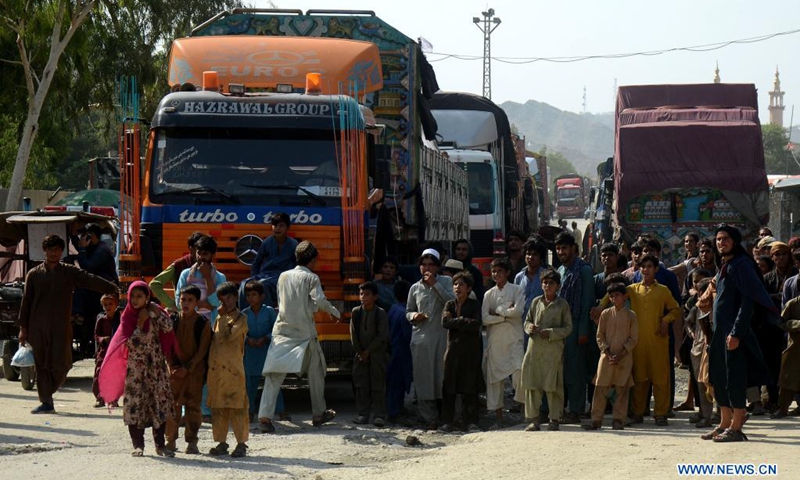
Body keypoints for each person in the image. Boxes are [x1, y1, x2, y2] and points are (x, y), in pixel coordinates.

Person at [18, 235, 118, 414]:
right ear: (45, 251)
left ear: (61, 251)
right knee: (41, 365)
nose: (53, 253)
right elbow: (26, 302)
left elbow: (89, 279)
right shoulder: (33, 274)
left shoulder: (69, 272)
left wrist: (111, 288)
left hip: (61, 326)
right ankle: (46, 402)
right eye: (50, 250)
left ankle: (48, 392)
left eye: (57, 249)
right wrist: (23, 329)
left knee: (62, 364)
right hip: (37, 326)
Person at [258, 241, 340, 433]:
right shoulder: (311, 277)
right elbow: (319, 300)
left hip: (283, 330)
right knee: (316, 371)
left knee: (274, 376)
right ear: (312, 260)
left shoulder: (283, 277)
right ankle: (319, 413)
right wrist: (334, 312)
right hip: (304, 332)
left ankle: (264, 417)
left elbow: (281, 301)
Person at [704, 224, 773, 442]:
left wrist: (736, 333)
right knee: (719, 377)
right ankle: (724, 422)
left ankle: (736, 425)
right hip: (719, 332)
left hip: (734, 333)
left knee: (734, 378)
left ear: (734, 241)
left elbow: (748, 301)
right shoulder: (725, 265)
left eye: (725, 239)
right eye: (718, 239)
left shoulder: (742, 265)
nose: (720, 243)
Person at [99, 281, 177, 457]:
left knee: (158, 403)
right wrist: (141, 323)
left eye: (139, 296)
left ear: (147, 297)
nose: (135, 300)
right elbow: (131, 343)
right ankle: (138, 445)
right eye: (132, 296)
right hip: (136, 370)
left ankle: (160, 445)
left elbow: (168, 327)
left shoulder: (155, 310)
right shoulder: (127, 316)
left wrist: (156, 314)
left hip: (156, 368)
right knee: (135, 405)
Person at [406, 248, 454, 429]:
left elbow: (452, 301)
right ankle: (429, 418)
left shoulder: (447, 281)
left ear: (437, 267)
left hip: (442, 338)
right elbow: (408, 311)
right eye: (423, 264)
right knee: (424, 378)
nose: (427, 268)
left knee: (442, 376)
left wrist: (435, 284)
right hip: (421, 339)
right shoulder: (415, 288)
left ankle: (447, 416)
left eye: (431, 264)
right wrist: (414, 316)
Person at [521, 269, 572, 431]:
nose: (547, 285)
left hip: (553, 351)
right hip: (534, 349)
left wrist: (550, 333)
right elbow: (527, 321)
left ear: (558, 286)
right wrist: (530, 327)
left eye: (551, 283)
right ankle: (534, 420)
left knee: (553, 386)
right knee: (532, 384)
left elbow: (568, 328)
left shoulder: (562, 305)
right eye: (545, 282)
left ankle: (554, 419)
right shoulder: (536, 302)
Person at [584, 282, 638, 431]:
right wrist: (607, 352)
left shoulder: (631, 316)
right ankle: (596, 420)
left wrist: (620, 355)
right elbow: (600, 335)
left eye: (617, 296)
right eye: (612, 296)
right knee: (600, 388)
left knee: (622, 389)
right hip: (606, 357)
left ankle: (618, 420)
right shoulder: (606, 314)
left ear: (625, 296)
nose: (614, 299)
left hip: (624, 357)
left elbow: (633, 339)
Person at [165, 285, 212, 455]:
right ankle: (170, 440)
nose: (185, 303)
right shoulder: (172, 320)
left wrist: (188, 368)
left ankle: (192, 442)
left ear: (197, 302)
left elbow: (202, 351)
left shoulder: (203, 323)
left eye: (190, 300)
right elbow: (167, 347)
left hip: (194, 373)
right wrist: (173, 367)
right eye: (183, 299)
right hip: (175, 372)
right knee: (173, 407)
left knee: (193, 407)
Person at [554, 232, 595, 423]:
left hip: (577, 327)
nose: (561, 252)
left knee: (576, 370)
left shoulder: (583, 270)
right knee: (562, 370)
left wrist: (583, 331)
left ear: (573, 249)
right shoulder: (560, 271)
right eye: (558, 248)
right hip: (561, 328)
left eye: (564, 248)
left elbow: (586, 303)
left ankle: (577, 409)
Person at [207, 282, 249, 458]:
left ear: (235, 297)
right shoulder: (218, 318)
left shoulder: (241, 319)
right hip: (217, 372)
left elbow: (229, 336)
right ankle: (221, 442)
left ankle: (241, 443)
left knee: (237, 407)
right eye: (222, 300)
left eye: (229, 298)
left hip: (233, 372)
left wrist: (223, 318)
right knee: (218, 408)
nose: (226, 302)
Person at [482, 257, 525, 428]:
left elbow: (519, 311)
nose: (496, 274)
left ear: (507, 272)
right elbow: (485, 318)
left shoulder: (517, 290)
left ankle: (525, 414)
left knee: (520, 374)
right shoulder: (488, 294)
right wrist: (504, 316)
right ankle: (498, 418)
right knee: (495, 380)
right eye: (493, 271)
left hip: (514, 339)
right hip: (496, 341)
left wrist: (499, 311)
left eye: (500, 271)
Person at [440, 272, 484, 433]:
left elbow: (476, 323)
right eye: (455, 284)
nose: (457, 287)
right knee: (449, 385)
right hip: (452, 351)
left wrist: (457, 322)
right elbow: (445, 322)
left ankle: (472, 422)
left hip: (470, 352)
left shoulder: (474, 304)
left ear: (469, 288)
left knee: (470, 387)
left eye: (461, 285)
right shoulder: (450, 305)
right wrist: (463, 321)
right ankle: (447, 421)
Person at [73, 223, 120, 356]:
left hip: (104, 288)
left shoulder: (102, 250)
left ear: (91, 236)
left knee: (79, 290)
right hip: (95, 287)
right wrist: (73, 236)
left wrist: (82, 250)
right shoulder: (94, 247)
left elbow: (88, 266)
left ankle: (78, 315)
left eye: (85, 235)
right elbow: (80, 247)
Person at [242, 281, 285, 423]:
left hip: (267, 352)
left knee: (272, 382)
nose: (250, 298)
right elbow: (240, 333)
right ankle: (250, 411)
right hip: (251, 354)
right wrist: (247, 340)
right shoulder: (244, 314)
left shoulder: (269, 312)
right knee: (250, 385)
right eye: (248, 295)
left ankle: (281, 411)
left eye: (254, 294)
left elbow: (277, 329)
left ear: (262, 296)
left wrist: (266, 338)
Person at [350, 281, 390, 427]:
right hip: (360, 355)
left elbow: (382, 336)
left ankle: (379, 415)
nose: (363, 297)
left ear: (375, 297)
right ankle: (363, 415)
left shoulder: (380, 313)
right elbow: (353, 334)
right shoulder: (356, 312)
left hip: (376, 355)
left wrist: (368, 351)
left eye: (367, 294)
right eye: (361, 294)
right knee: (361, 385)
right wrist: (360, 352)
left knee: (378, 384)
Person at [241, 212, 299, 308]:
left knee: (263, 285)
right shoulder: (267, 242)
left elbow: (297, 266)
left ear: (287, 227)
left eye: (281, 226)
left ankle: (267, 314)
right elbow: (257, 262)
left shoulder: (293, 244)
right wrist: (253, 278)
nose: (277, 228)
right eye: (275, 225)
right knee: (245, 284)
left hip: (282, 277)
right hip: (264, 275)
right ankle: (245, 315)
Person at [684, 276, 715, 428]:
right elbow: (688, 323)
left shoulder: (719, 307)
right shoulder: (697, 308)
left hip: (713, 349)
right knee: (701, 384)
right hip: (698, 349)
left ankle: (721, 415)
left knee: (715, 383)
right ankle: (705, 414)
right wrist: (692, 334)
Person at [150, 232, 206, 313]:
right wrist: (172, 304)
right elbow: (154, 284)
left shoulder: (208, 267)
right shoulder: (179, 265)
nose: (201, 253)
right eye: (198, 249)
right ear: (191, 249)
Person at [175, 236, 226, 322]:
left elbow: (216, 303)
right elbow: (178, 301)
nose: (201, 257)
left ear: (213, 256)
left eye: (205, 254)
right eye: (199, 253)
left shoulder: (220, 277)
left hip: (211, 324)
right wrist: (202, 305)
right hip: (188, 323)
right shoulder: (186, 274)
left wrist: (207, 277)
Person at [386, 280, 413, 423]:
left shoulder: (393, 308)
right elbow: (408, 335)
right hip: (402, 351)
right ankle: (394, 412)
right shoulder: (405, 313)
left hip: (394, 349)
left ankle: (395, 409)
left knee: (394, 382)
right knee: (399, 382)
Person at [92, 293, 121, 408]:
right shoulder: (101, 320)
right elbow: (96, 335)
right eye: (105, 305)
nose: (108, 307)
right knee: (99, 373)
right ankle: (100, 398)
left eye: (110, 304)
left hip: (116, 352)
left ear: (116, 305)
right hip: (104, 351)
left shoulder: (120, 319)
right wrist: (103, 339)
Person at [773, 296, 800, 418]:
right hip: (795, 348)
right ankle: (782, 408)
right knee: (787, 379)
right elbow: (781, 322)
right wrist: (797, 324)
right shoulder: (792, 304)